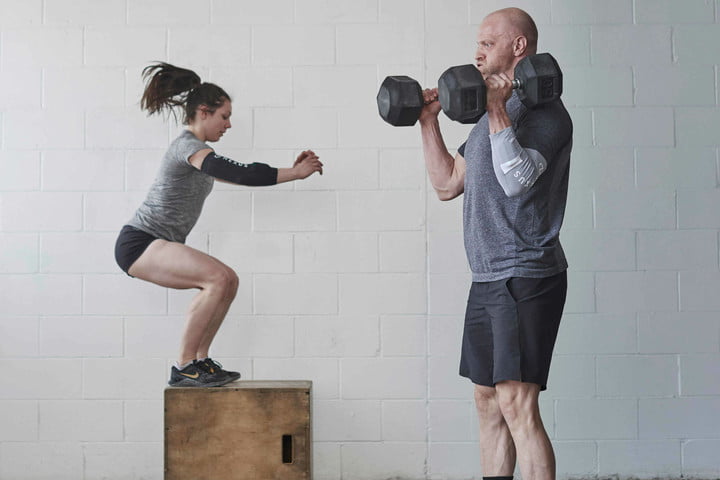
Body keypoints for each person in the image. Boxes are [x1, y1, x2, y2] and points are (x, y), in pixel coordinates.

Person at [418, 8, 572, 480]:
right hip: (487, 277)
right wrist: (428, 122)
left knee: (516, 403)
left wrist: (498, 108)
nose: (477, 51)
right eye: (477, 43)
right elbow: (447, 184)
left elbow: (518, 180)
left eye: (488, 42)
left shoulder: (548, 113)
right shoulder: (487, 118)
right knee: (487, 401)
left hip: (528, 273)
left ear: (519, 47)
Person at [114, 63, 323, 388]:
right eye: (224, 115)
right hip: (140, 242)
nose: (229, 124)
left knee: (227, 281)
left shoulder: (201, 157)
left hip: (154, 243)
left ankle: (199, 361)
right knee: (218, 277)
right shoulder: (188, 148)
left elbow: (246, 177)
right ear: (203, 111)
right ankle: (184, 366)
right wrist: (294, 173)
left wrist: (289, 174)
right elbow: (242, 173)